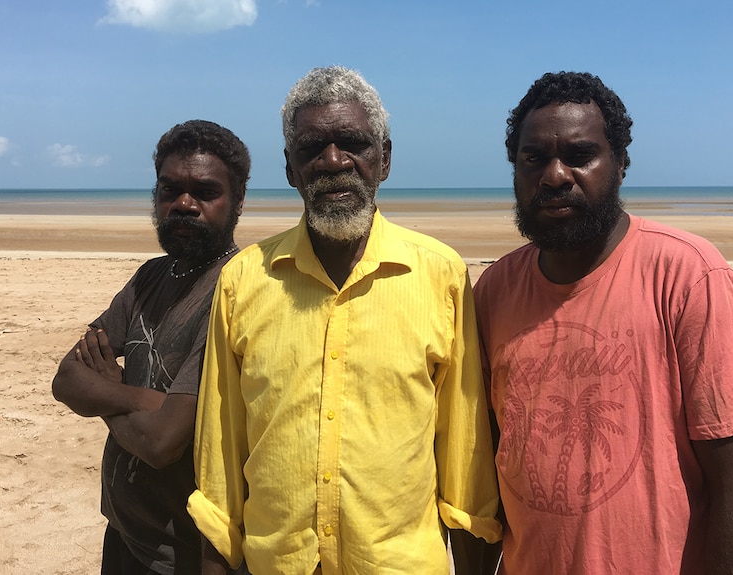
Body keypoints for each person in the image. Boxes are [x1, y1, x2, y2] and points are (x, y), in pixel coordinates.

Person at [474, 70, 733, 574]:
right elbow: (490, 467)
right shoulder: (493, 291)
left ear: (621, 164)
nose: (554, 175)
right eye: (533, 158)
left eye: (580, 156)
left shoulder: (687, 274)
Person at [187, 66, 502, 575]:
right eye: (312, 148)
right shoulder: (243, 280)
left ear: (385, 160)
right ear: (290, 168)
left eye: (353, 143)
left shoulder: (441, 275)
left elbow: (466, 457)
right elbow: (219, 457)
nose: (334, 161)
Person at [52, 120, 251, 575]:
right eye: (169, 190)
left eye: (205, 191)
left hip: (182, 551)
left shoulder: (237, 289)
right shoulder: (150, 276)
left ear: (238, 200)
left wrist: (104, 390)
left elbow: (163, 442)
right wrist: (137, 397)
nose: (184, 204)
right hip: (122, 530)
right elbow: (66, 378)